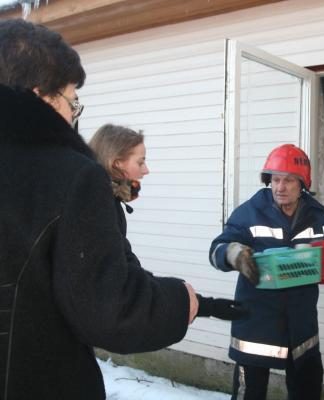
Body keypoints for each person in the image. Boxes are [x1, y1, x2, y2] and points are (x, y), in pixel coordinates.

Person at [0, 19, 240, 400]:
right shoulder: (72, 178)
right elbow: (108, 304)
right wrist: (180, 301)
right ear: (42, 98)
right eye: (71, 100)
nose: (73, 114)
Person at [209, 144, 324, 400]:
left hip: (301, 324)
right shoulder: (250, 212)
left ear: (303, 183)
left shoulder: (318, 216)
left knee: (307, 390)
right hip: (256, 321)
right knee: (250, 395)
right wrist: (233, 254)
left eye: (289, 180)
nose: (280, 187)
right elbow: (216, 249)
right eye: (275, 180)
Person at [88, 122, 244, 320]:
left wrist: (204, 305)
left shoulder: (106, 201)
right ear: (117, 163)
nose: (146, 170)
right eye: (140, 162)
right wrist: (189, 300)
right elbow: (124, 276)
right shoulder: (100, 208)